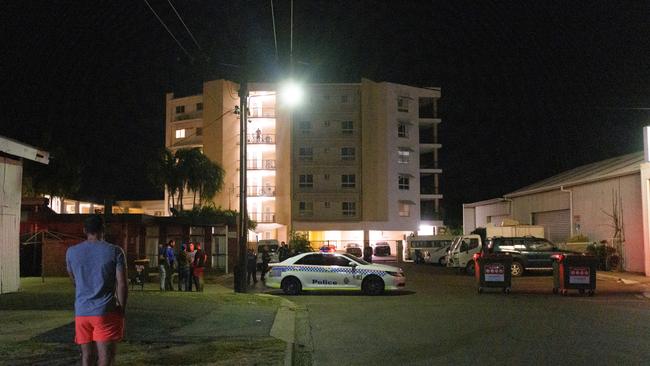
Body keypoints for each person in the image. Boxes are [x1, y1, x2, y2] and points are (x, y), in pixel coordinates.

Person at [65, 215, 127, 366]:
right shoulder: (115, 251)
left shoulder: (71, 252)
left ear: (85, 230)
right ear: (103, 229)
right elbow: (122, 284)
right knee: (106, 357)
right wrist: (122, 308)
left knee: (87, 356)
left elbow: (74, 280)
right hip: (105, 310)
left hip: (81, 312)